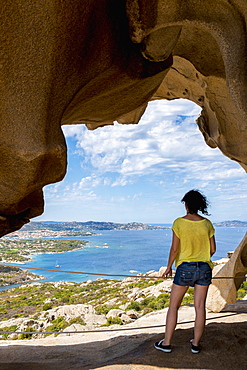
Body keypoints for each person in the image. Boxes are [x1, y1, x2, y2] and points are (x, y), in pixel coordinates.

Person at [154, 189, 216, 354]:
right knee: (200, 307)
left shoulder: (179, 223)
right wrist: (200, 257)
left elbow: (174, 249)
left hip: (185, 268)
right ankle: (195, 344)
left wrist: (168, 267)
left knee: (174, 306)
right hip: (204, 268)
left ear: (186, 205)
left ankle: (166, 343)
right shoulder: (207, 223)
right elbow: (213, 249)